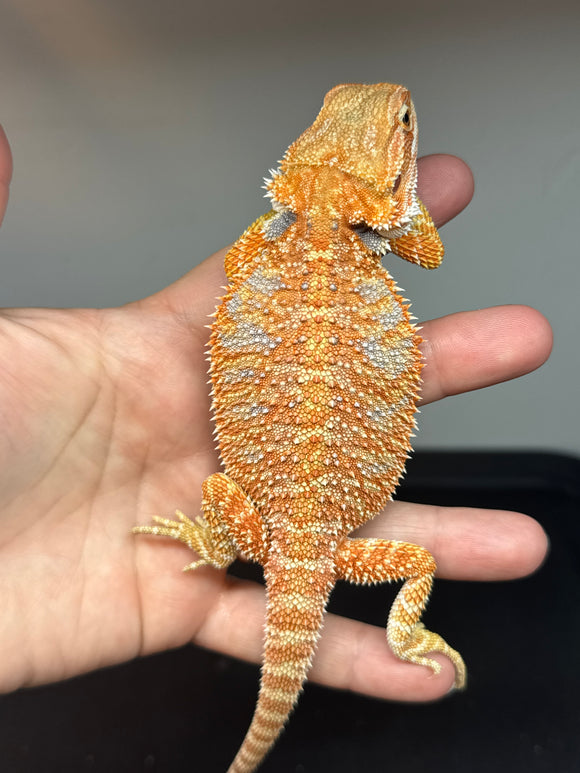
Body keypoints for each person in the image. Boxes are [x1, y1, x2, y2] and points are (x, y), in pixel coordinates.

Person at [0, 126, 550, 700]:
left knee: (223, 492)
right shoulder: (347, 243)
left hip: (266, 529)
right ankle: (403, 634)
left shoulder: (265, 245)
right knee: (417, 563)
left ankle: (216, 547)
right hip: (318, 531)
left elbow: (241, 262)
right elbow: (429, 253)